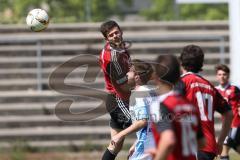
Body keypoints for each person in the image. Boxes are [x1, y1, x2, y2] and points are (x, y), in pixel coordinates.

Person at [179, 44, 233, 160]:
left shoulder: (182, 82)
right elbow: (229, 114)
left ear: (181, 63)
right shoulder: (210, 86)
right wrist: (220, 142)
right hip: (209, 146)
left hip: (191, 145)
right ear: (201, 64)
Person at [149, 54, 205, 160]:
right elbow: (201, 142)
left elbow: (168, 140)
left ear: (156, 77)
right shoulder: (190, 106)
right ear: (179, 76)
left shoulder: (160, 105)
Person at [99, 20, 135, 160]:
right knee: (145, 124)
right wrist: (133, 77)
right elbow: (120, 82)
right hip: (118, 100)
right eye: (111, 35)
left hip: (120, 98)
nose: (115, 36)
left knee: (116, 145)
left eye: (116, 32)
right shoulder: (111, 56)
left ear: (121, 31)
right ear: (106, 39)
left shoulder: (121, 47)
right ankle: (135, 153)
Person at [111, 59, 157, 160]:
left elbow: (143, 121)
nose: (126, 74)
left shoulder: (138, 94)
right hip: (154, 144)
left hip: (146, 148)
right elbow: (152, 123)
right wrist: (136, 143)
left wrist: (120, 135)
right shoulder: (151, 92)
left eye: (129, 71)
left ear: (137, 76)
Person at [215, 64, 240, 160]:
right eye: (220, 74)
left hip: (235, 123)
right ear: (217, 76)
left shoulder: (234, 89)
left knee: (224, 147)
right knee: (236, 146)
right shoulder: (215, 91)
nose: (222, 76)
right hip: (226, 124)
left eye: (224, 74)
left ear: (228, 76)